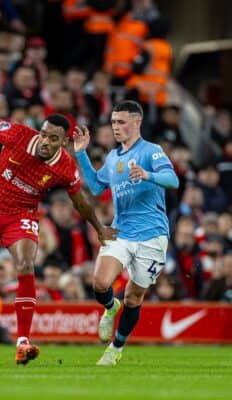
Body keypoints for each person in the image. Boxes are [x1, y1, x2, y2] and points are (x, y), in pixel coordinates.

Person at [0, 89, 117, 365]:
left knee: (25, 264)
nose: (45, 141)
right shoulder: (19, 135)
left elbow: (79, 201)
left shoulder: (65, 168)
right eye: (44, 134)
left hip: (20, 214)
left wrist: (99, 228)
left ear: (64, 142)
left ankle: (23, 341)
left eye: (53, 138)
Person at [73, 100, 179, 365]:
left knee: (134, 295)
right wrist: (81, 154)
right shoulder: (113, 157)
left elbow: (173, 180)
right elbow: (97, 187)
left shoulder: (151, 151)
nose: (116, 127)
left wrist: (148, 175)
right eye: (113, 122)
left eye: (121, 122)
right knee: (99, 283)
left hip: (153, 234)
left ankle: (115, 349)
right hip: (121, 231)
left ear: (137, 122)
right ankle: (111, 307)